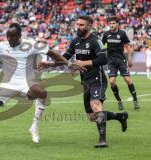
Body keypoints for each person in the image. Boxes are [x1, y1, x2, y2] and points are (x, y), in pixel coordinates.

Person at [39, 15, 128, 148]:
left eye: (81, 25)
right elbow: (65, 58)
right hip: (85, 80)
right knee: (92, 117)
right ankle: (120, 117)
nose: (78, 27)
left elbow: (104, 59)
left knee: (96, 104)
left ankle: (102, 140)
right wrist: (50, 65)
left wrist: (84, 62)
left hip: (97, 78)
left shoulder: (95, 41)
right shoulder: (75, 41)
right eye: (77, 24)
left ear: (89, 26)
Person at [102, 16, 139, 110]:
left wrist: (129, 59)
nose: (111, 25)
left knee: (128, 80)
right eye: (110, 23)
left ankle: (135, 100)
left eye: (113, 23)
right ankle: (119, 101)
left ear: (117, 24)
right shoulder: (106, 34)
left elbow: (128, 47)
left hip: (121, 60)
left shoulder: (122, 33)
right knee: (112, 82)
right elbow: (101, 46)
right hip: (111, 61)